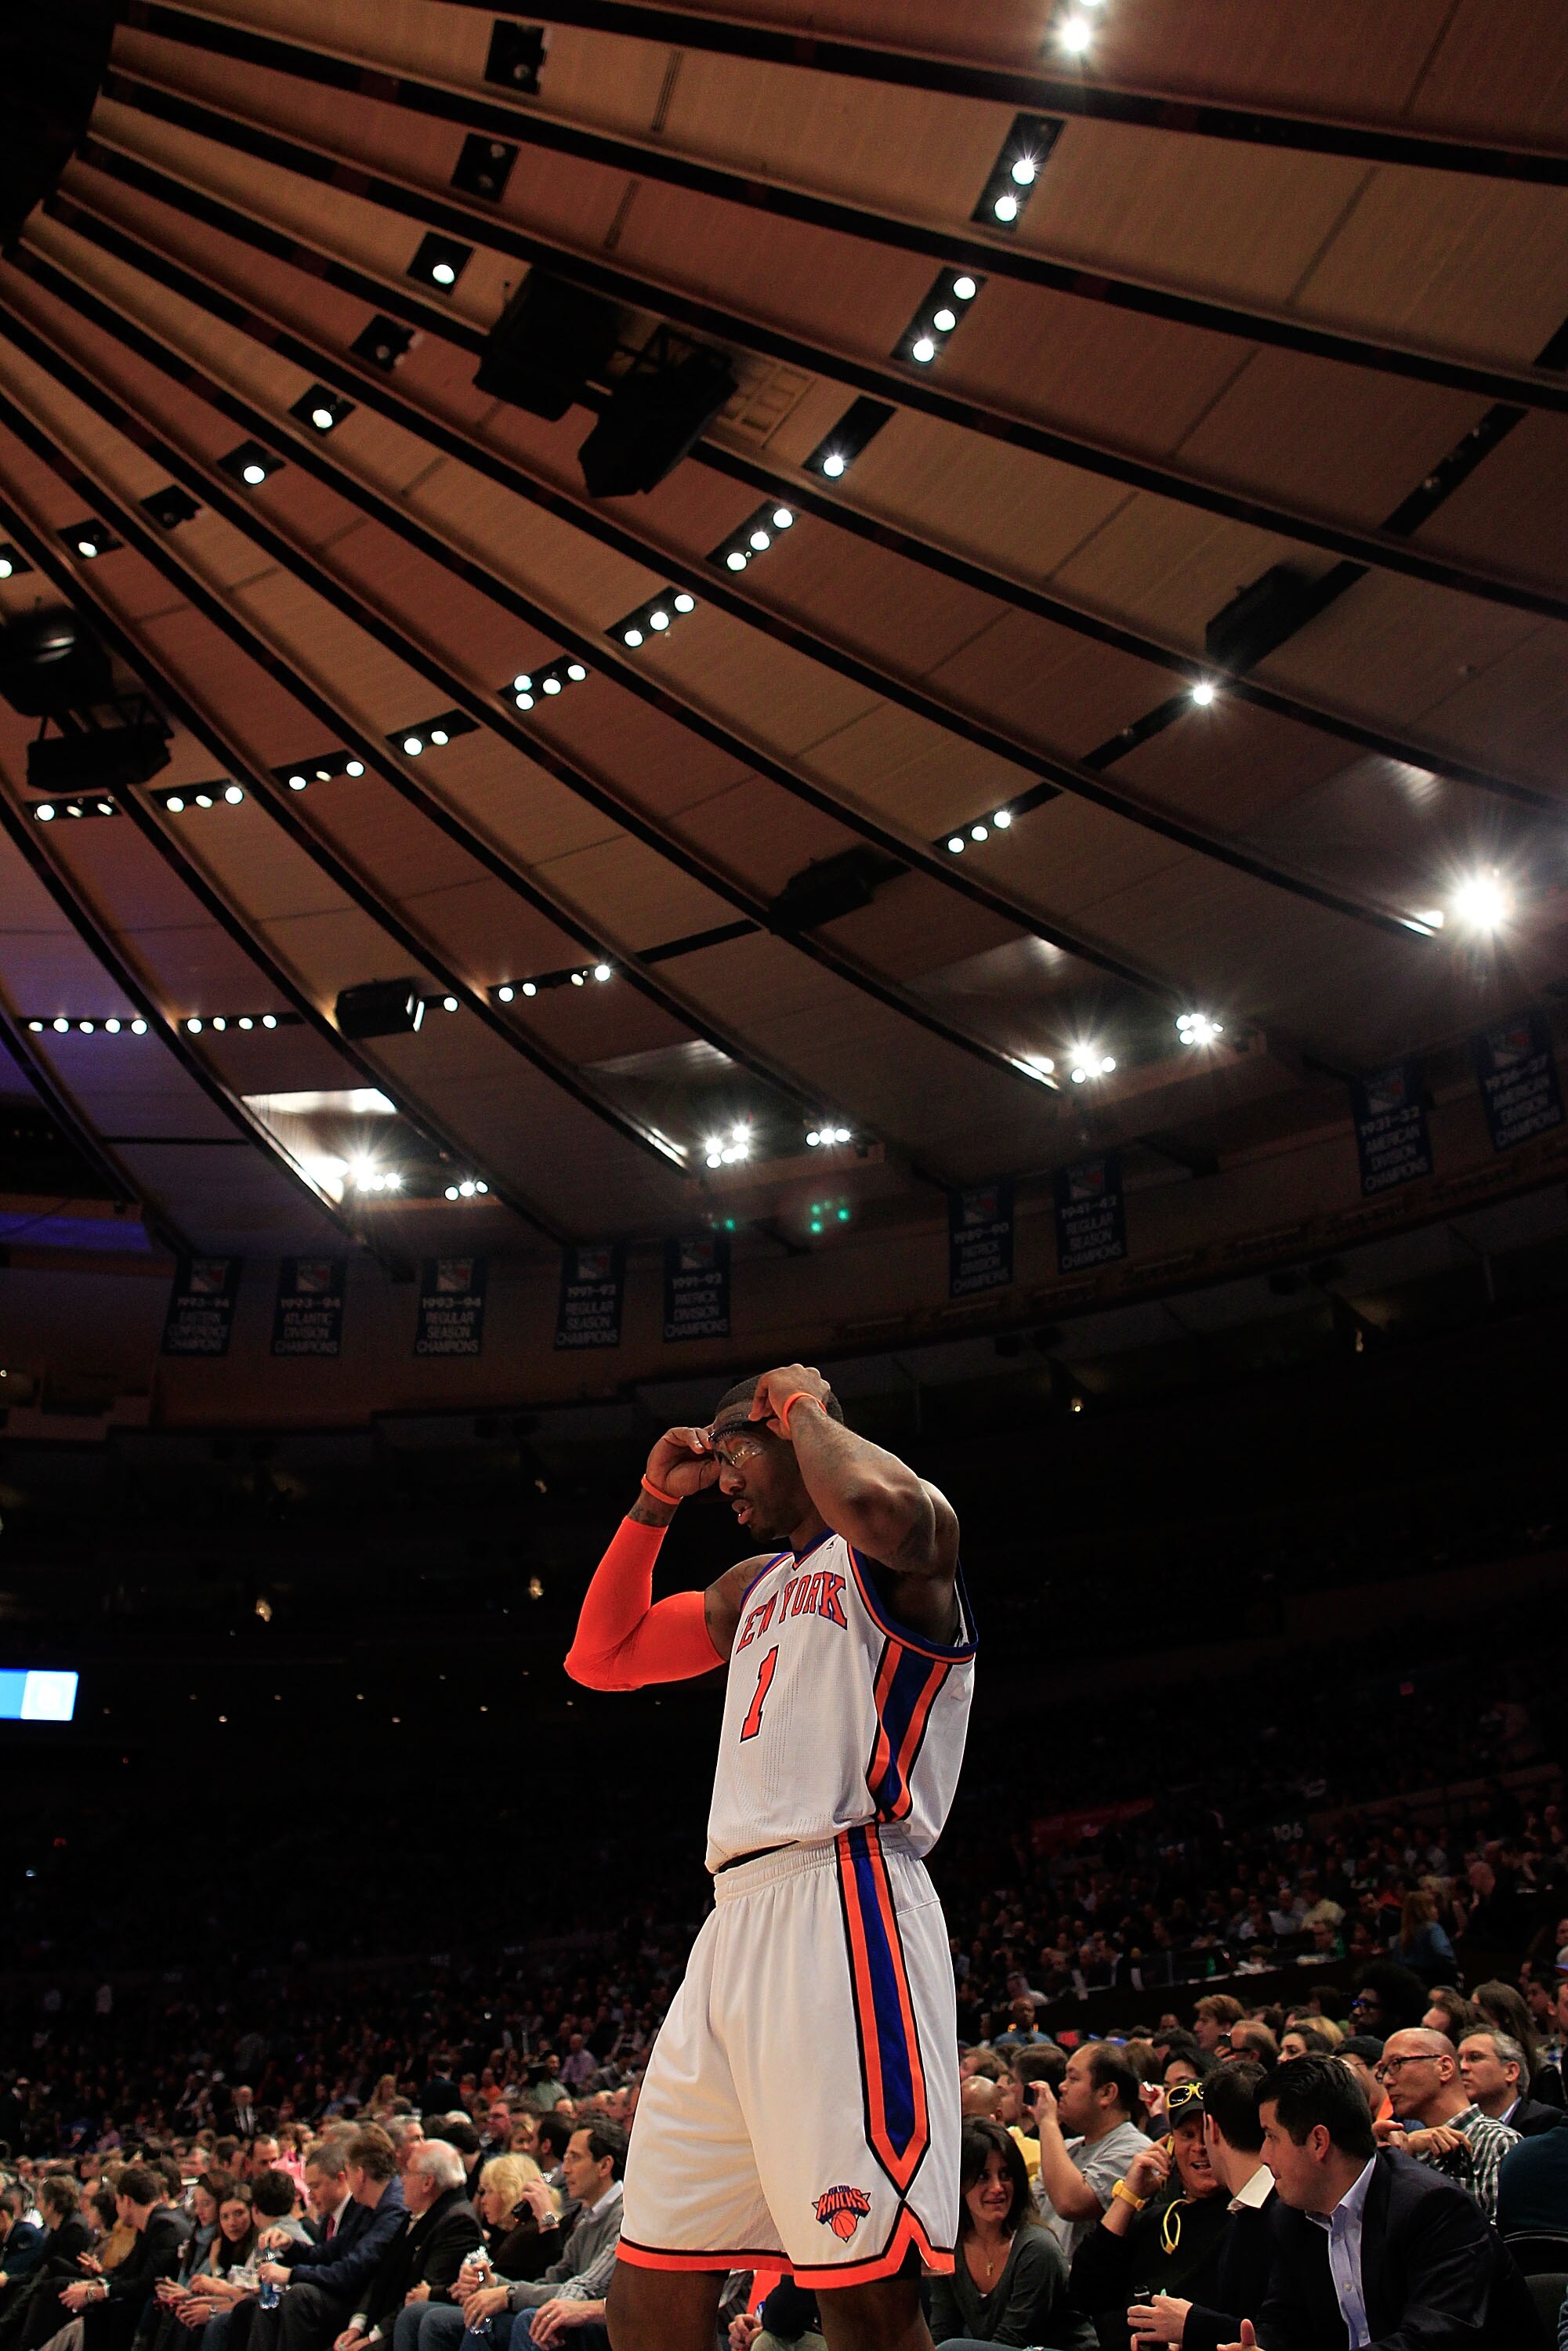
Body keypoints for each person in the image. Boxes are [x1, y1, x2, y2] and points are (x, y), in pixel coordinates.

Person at [564, 1364, 972, 2350]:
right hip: (733, 1925)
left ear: (795, 1434)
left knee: (864, 2298)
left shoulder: (904, 1546)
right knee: (649, 2286)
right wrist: (655, 1501)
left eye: (737, 1450)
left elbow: (876, 1504)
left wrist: (801, 1405)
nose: (728, 1478)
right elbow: (600, 1655)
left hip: (848, 1900)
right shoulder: (754, 1587)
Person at [1243, 2056, 1541, 2351]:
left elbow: (1432, 2340)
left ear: (1319, 2142)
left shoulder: (1432, 2207)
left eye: (1271, 2137)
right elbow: (1282, 2324)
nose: (1264, 2156)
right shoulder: (1292, 2214)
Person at [410, 2122, 626, 2351]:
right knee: (431, 2318)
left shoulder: (621, 2216)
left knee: (495, 2321)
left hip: (604, 2326)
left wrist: (508, 2293)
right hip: (556, 2306)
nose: (565, 2169)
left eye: (574, 2158)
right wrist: (494, 2283)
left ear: (604, 2166)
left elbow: (584, 2286)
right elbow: (558, 2276)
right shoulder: (585, 2215)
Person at [1070, 2085, 1227, 2351]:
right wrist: (1130, 2195)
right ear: (1169, 2146)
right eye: (1188, 2135)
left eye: (1209, 2134)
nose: (1200, 2147)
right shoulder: (1151, 2221)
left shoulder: (1240, 2220)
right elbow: (1085, 2293)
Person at [928, 2121, 1082, 2349]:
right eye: (983, 2177)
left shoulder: (1038, 2248)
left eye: (1006, 2175)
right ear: (959, 2184)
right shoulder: (948, 2246)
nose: (998, 2187)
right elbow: (942, 2329)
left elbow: (1015, 2338)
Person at [248, 2132, 407, 2351]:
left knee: (300, 2296)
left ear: (358, 2175)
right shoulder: (370, 2206)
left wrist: (291, 2274)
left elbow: (352, 2270)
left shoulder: (392, 2209)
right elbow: (328, 2252)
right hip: (355, 2298)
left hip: (369, 2305)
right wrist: (290, 2245)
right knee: (266, 2302)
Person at [334, 2138, 480, 2351]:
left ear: (427, 2182)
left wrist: (371, 2339)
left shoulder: (456, 2224)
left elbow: (418, 2297)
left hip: (406, 2331)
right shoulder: (417, 2214)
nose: (401, 2180)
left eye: (407, 2173)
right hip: (384, 2323)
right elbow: (382, 2273)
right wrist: (358, 2325)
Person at [1374, 2029, 1519, 2221]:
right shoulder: (1404, 2147)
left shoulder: (1497, 2142)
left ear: (1444, 2068)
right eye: (1383, 2071)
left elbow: (1500, 2244)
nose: (1388, 2081)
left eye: (1396, 2064)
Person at [50, 2161, 188, 2351]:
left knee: (98, 2308)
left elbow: (146, 2282)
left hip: (154, 2306)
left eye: (117, 2201)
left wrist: (94, 2293)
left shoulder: (165, 2226)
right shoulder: (151, 2223)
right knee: (61, 2286)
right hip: (142, 2302)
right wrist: (94, 2284)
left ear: (127, 2200)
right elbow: (126, 2269)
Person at [1030, 2044, 1151, 2259]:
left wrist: (1048, 2122)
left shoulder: (1135, 2151)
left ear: (1107, 2093)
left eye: (1073, 2079)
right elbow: (1030, 2217)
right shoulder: (1066, 2149)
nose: (1062, 2087)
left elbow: (1071, 2204)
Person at [1458, 2030, 1568, 2139]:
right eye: (1459, 2060)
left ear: (1511, 2072)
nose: (1462, 2067)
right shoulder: (1458, 2129)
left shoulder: (1546, 2122)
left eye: (1475, 2057)